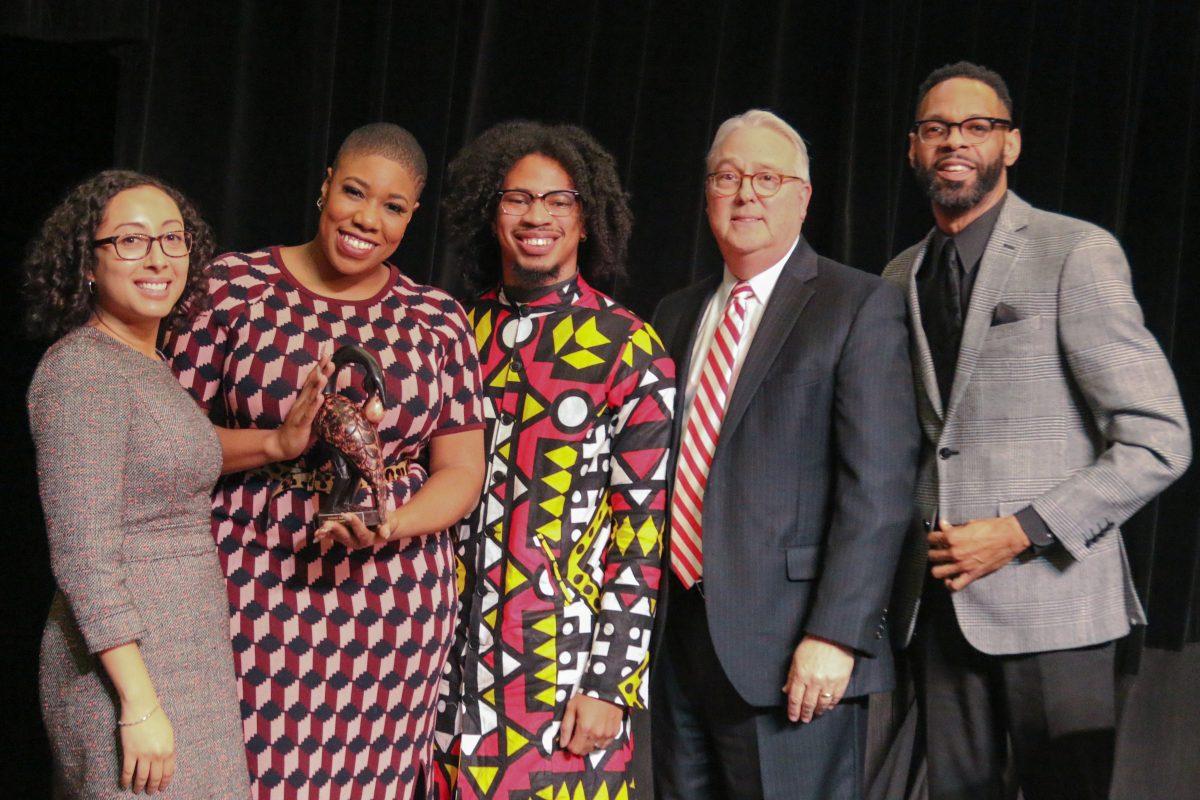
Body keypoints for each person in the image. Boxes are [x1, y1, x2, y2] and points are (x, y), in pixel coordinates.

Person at [881, 61, 1192, 800]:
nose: (956, 141)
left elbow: (1159, 440)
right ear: (914, 150)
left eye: (977, 126)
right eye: (936, 128)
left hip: (1058, 610)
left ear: (1010, 145)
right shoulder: (896, 276)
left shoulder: (1074, 252)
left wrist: (1021, 530)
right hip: (940, 615)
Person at [167, 123, 486, 800]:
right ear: (324, 185)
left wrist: (390, 523)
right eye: (354, 192)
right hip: (251, 587)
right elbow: (169, 447)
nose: (368, 218)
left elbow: (463, 470)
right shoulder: (232, 287)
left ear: (412, 215)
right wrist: (278, 443)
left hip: (394, 605)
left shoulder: (436, 318)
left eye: (393, 207)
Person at [649, 109, 919, 800]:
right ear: (706, 194)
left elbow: (880, 489)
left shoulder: (858, 304)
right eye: (728, 177)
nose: (745, 194)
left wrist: (838, 635)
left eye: (767, 177)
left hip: (794, 652)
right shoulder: (674, 315)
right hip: (677, 642)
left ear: (803, 195)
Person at [430, 120, 675, 800]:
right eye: (517, 198)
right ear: (490, 212)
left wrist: (610, 685)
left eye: (559, 200)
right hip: (441, 668)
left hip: (559, 673)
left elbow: (641, 534)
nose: (536, 215)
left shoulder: (629, 346)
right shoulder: (451, 331)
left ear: (589, 218)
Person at [25, 170, 271, 797]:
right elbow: (83, 554)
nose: (158, 257)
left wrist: (279, 443)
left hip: (183, 654)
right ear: (88, 260)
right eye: (130, 241)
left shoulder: (144, 365)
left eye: (172, 238)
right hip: (126, 670)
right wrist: (137, 702)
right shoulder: (82, 371)